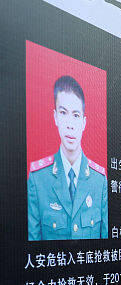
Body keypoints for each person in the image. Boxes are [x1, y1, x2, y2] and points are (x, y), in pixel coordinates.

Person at [28, 75, 107, 241]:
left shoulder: (99, 181)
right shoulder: (38, 179)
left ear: (84, 123)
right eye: (63, 113)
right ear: (55, 117)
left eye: (76, 115)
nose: (70, 124)